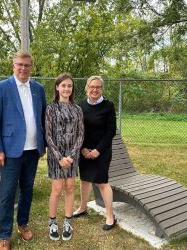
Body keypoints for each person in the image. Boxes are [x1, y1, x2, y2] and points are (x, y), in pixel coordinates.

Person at [0, 50, 47, 250]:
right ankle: (4, 235)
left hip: (32, 151)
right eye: (19, 64)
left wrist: (42, 144)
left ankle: (22, 224)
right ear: (13, 66)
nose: (23, 68)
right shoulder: (1, 87)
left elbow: (42, 118)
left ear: (31, 67)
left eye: (27, 65)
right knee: (7, 193)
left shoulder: (38, 89)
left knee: (27, 190)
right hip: (10, 151)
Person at [73, 75, 117, 231]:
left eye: (98, 87)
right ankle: (83, 207)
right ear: (87, 88)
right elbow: (78, 130)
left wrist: (98, 150)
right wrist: (83, 148)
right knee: (84, 180)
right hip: (84, 151)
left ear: (101, 89)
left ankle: (110, 216)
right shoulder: (80, 106)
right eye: (92, 86)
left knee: (102, 182)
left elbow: (111, 131)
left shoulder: (108, 106)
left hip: (102, 151)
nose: (95, 89)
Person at [45, 73, 84, 241]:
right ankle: (52, 222)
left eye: (69, 86)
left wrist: (71, 155)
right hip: (56, 157)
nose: (67, 88)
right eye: (63, 85)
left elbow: (81, 135)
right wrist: (60, 157)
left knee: (69, 188)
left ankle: (68, 221)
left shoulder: (77, 109)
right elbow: (48, 135)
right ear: (57, 87)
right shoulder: (50, 108)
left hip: (72, 156)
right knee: (57, 190)